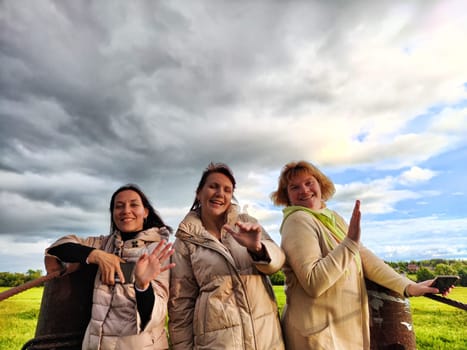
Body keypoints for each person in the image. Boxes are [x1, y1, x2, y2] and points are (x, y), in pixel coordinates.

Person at [271, 160, 451, 350]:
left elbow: (364, 257)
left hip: (340, 332)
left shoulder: (332, 218)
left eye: (309, 182)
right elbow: (314, 282)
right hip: (318, 337)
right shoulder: (297, 220)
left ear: (320, 183)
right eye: (294, 187)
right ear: (287, 197)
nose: (304, 190)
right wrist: (350, 243)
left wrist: (408, 286)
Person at [168, 162, 286, 350]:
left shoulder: (247, 223)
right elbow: (180, 303)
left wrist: (257, 249)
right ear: (199, 193)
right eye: (213, 186)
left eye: (227, 190)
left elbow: (277, 261)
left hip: (266, 339)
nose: (220, 194)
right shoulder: (186, 241)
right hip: (218, 343)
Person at [45, 184, 175, 350]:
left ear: (146, 212)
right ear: (112, 214)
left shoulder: (157, 251)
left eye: (134, 205)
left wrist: (143, 286)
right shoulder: (104, 244)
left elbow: (155, 316)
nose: (126, 211)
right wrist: (98, 255)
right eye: (118, 206)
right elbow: (59, 247)